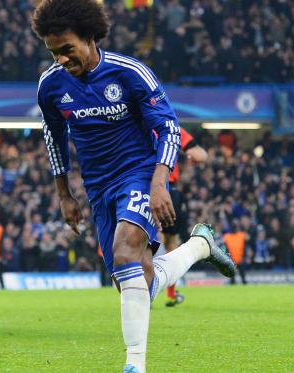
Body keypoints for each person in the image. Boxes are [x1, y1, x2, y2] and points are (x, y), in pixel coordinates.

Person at [31, 1, 236, 372]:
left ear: (90, 37)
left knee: (125, 252)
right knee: (135, 283)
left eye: (67, 49)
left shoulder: (129, 72)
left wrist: (160, 182)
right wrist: (64, 194)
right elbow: (53, 136)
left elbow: (169, 127)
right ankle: (199, 246)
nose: (61, 59)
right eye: (53, 52)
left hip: (139, 173)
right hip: (97, 186)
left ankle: (134, 365)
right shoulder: (51, 85)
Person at [160, 128, 208, 306]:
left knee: (142, 242)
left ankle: (142, 292)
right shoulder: (170, 126)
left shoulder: (132, 123)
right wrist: (192, 157)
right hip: (167, 189)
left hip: (138, 185)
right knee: (170, 243)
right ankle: (170, 294)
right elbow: (199, 155)